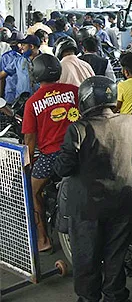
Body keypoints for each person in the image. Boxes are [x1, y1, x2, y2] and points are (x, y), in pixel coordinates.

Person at [55, 76, 132, 302]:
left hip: (87, 208)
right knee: (116, 257)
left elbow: (63, 168)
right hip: (123, 202)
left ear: (85, 99)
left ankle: (89, 298)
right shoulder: (129, 121)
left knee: (87, 260)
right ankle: (115, 296)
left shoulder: (78, 130)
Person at [22, 54, 79, 252]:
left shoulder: (33, 102)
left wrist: (26, 165)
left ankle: (43, 239)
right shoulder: (74, 91)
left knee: (32, 191)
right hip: (80, 152)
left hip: (52, 157)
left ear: (36, 74)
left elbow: (30, 140)